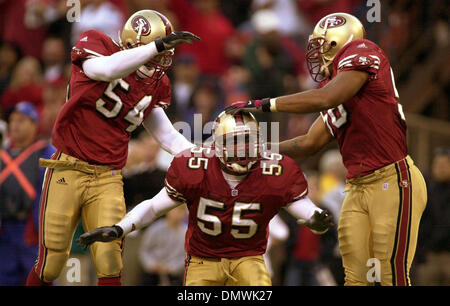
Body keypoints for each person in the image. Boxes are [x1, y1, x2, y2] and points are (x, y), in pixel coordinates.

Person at [225, 12, 428, 286]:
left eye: (321, 47)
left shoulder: (363, 51)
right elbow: (308, 143)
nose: (317, 56)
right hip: (356, 186)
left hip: (392, 179)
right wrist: (257, 151)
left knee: (391, 275)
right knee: (356, 279)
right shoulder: (337, 85)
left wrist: (266, 103)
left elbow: (326, 97)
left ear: (338, 42)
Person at [25, 10, 200, 286]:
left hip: (107, 177)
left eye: (163, 54)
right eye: (156, 52)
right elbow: (107, 69)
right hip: (67, 167)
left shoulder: (156, 84)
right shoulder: (96, 44)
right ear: (135, 43)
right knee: (51, 264)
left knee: (109, 261)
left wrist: (204, 157)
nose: (159, 61)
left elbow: (168, 137)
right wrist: (154, 47)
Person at [77, 111, 334, 286]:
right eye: (235, 142)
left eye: (248, 141)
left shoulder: (275, 169)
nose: (242, 150)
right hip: (204, 259)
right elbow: (155, 206)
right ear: (217, 144)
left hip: (249, 257)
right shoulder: (195, 166)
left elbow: (299, 204)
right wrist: (120, 227)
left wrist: (314, 216)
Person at [0, 102, 55, 285]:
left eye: (21, 120)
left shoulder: (47, 153)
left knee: (39, 279)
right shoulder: (2, 154)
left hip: (32, 231)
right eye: (12, 120)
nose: (15, 125)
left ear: (34, 124)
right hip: (5, 231)